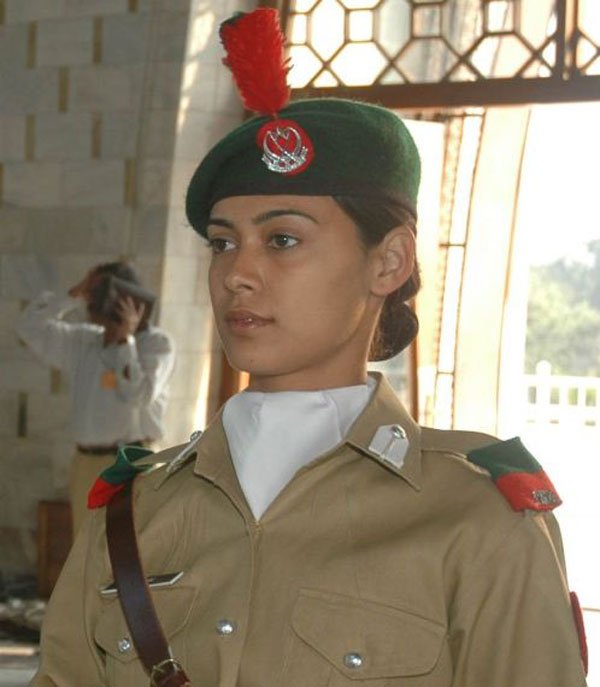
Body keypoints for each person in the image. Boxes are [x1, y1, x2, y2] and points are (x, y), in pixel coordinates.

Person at [30, 8, 587, 687]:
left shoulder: (477, 518)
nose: (237, 271)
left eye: (283, 239)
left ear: (388, 263)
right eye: (223, 241)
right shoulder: (133, 510)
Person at [17, 261, 175, 534]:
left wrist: (126, 342)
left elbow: (140, 396)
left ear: (125, 299)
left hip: (129, 462)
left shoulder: (156, 344)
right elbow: (29, 328)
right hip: (85, 463)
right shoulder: (84, 341)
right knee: (86, 550)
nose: (92, 300)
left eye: (100, 292)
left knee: (125, 552)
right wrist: (72, 294)